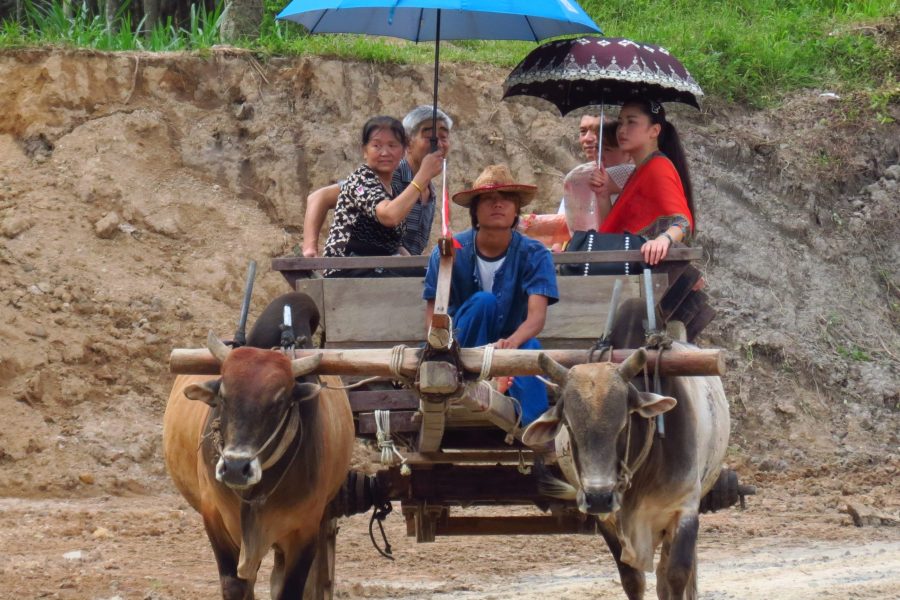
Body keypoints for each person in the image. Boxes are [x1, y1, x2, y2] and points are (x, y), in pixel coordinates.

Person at [423, 165, 559, 425]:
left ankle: (534, 432)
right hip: (461, 347)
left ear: (516, 209)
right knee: (484, 302)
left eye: (506, 198)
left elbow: (536, 318)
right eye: (488, 199)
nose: (498, 204)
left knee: (530, 352)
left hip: (510, 344)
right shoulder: (452, 249)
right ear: (475, 210)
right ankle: (473, 382)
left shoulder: (535, 253)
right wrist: (443, 349)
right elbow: (432, 317)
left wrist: (511, 342)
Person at [302, 106, 453, 258]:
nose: (438, 144)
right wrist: (310, 249)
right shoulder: (386, 175)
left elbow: (397, 244)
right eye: (430, 138)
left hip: (397, 268)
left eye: (443, 137)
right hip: (362, 269)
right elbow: (319, 197)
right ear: (409, 143)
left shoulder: (430, 190)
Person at [321, 116, 443, 277]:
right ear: (364, 151)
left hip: (379, 268)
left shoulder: (392, 191)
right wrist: (423, 176)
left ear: (403, 150)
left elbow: (396, 246)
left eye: (392, 145)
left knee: (433, 278)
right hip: (346, 271)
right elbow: (389, 216)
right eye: (376, 145)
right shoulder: (360, 180)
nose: (385, 152)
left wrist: (421, 270)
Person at [598, 98, 695, 266]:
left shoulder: (658, 167)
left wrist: (663, 240)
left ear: (654, 130)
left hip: (641, 269)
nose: (622, 130)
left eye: (631, 122)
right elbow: (617, 229)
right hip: (626, 264)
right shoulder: (641, 169)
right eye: (620, 123)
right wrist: (603, 193)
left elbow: (683, 222)